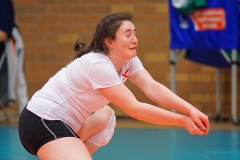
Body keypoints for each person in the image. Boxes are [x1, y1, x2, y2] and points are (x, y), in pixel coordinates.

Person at [18, 12, 209, 160]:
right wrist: (182, 121)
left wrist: (191, 110)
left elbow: (152, 87)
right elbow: (135, 109)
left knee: (107, 116)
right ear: (109, 41)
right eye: (128, 34)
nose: (135, 39)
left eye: (135, 33)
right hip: (42, 121)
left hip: (68, 124)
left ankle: (65, 151)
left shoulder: (127, 60)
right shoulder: (97, 64)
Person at [0, 0, 28, 115]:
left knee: (18, 82)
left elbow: (2, 34)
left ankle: (26, 116)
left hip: (8, 46)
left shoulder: (4, 3)